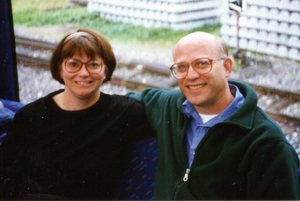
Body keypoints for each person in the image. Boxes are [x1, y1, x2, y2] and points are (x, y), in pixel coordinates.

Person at [129, 31, 300, 200]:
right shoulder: (170, 105)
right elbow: (119, 106)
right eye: (182, 67)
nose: (191, 75)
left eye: (202, 64)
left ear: (227, 67)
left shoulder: (267, 144)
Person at [0, 28, 152, 200]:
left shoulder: (124, 112)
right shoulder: (30, 116)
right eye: (73, 64)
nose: (83, 73)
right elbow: (7, 179)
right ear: (60, 69)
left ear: (106, 71)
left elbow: (171, 108)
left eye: (93, 64)